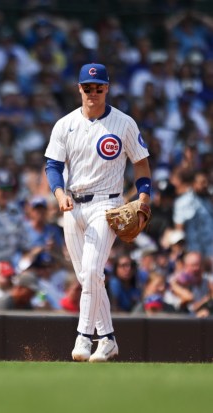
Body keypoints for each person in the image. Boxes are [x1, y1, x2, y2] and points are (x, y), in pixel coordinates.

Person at [44, 63, 152, 362]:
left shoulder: (123, 123)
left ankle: (83, 337)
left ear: (107, 88)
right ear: (79, 88)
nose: (93, 92)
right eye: (88, 87)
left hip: (107, 204)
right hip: (72, 205)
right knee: (87, 278)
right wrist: (59, 192)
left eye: (99, 87)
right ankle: (108, 339)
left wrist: (144, 197)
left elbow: (140, 162)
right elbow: (53, 165)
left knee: (93, 272)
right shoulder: (65, 124)